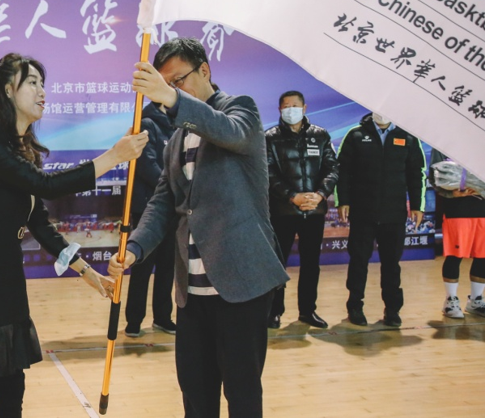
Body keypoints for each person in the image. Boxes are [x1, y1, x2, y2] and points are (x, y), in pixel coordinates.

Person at [0, 52, 148, 418]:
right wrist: (113, 156)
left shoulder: (21, 149)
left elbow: (39, 221)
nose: (42, 91)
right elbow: (45, 186)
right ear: (7, 90)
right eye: (32, 82)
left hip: (6, 281)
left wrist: (86, 271)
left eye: (43, 83)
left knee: (11, 390)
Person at [108, 37, 288, 418]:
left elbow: (226, 130)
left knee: (242, 395)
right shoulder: (176, 139)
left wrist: (173, 99)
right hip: (191, 292)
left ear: (204, 71)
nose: (169, 93)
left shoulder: (241, 111)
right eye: (164, 85)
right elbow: (163, 203)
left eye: (178, 81)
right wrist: (135, 248)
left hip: (240, 287)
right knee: (195, 396)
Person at [336, 112, 426, 327]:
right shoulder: (356, 135)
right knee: (358, 261)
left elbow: (416, 173)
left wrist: (417, 205)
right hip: (362, 212)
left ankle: (392, 310)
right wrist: (343, 201)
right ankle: (355, 306)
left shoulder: (408, 136)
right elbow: (343, 171)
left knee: (391, 264)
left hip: (394, 213)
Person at [265, 90, 338, 329]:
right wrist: (292, 196)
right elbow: (268, 173)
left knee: (311, 263)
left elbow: (332, 169)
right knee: (278, 263)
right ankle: (274, 312)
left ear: (304, 108)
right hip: (282, 211)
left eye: (295, 106)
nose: (291, 110)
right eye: (286, 106)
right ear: (279, 110)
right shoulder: (269, 138)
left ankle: (308, 311)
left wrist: (320, 195)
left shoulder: (320, 135)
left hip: (313, 211)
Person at [124, 101, 177, 337]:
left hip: (173, 207)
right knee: (142, 266)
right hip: (148, 207)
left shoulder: (178, 124)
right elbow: (146, 165)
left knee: (167, 266)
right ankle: (134, 320)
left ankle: (163, 318)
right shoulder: (146, 123)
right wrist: (173, 188)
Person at [429, 150, 485, 318]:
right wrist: (450, 193)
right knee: (455, 255)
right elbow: (434, 176)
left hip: (482, 209)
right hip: (457, 210)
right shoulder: (444, 145)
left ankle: (476, 300)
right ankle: (450, 301)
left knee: (483, 256)